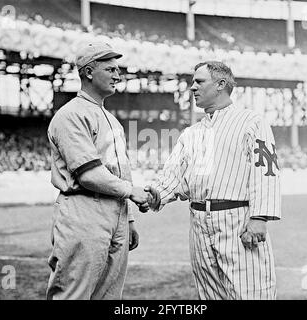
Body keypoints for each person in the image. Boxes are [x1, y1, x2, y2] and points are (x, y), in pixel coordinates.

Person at [146, 61, 281, 300]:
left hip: (236, 220)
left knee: (250, 293)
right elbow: (174, 176)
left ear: (220, 84)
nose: (192, 88)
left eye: (199, 82)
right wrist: (153, 195)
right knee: (209, 296)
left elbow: (266, 170)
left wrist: (260, 217)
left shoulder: (251, 122)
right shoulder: (192, 133)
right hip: (199, 223)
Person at [46, 42, 150, 300]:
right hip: (84, 211)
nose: (118, 75)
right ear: (89, 72)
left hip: (116, 214)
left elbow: (121, 171)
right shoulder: (70, 114)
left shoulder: (110, 118)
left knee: (109, 296)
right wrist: (131, 192)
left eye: (118, 69)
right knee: (73, 294)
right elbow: (89, 174)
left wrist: (129, 220)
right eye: (111, 69)